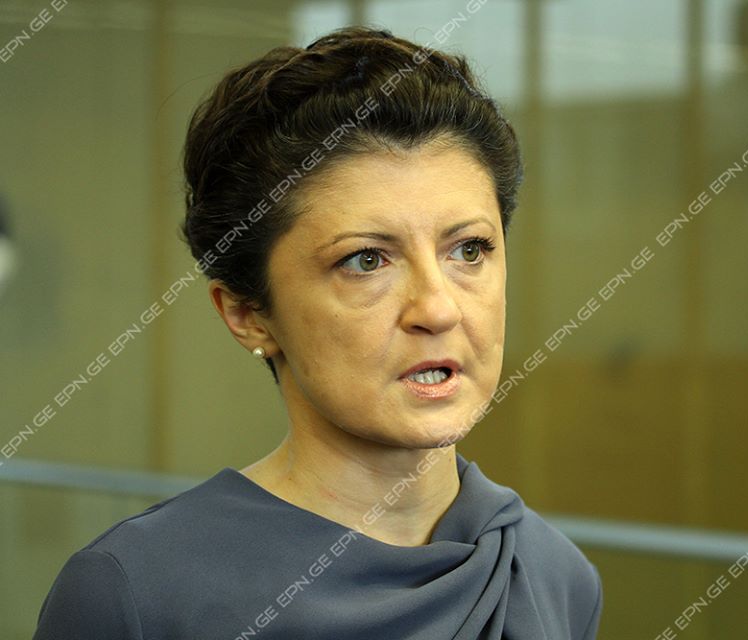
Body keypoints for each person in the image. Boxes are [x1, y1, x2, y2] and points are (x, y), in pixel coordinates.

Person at [33, 26, 602, 639]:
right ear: (247, 313)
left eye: (469, 249)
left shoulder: (553, 575)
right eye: (366, 260)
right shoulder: (137, 592)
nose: (438, 309)